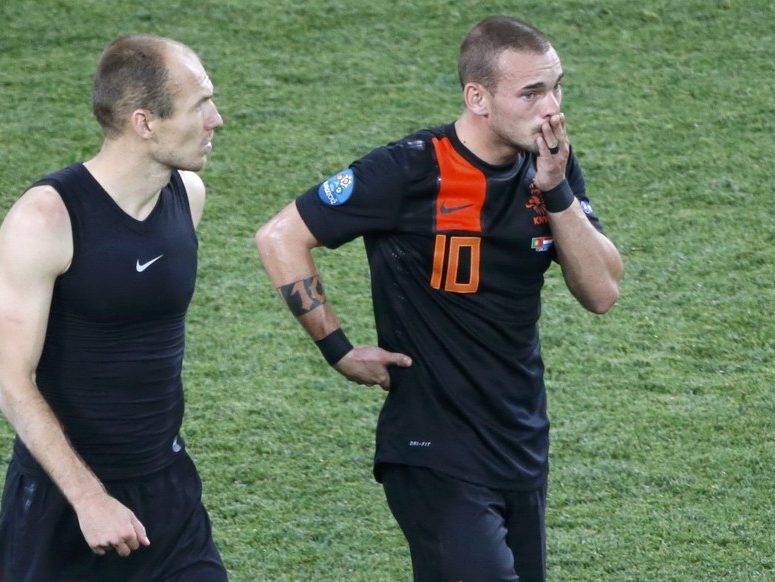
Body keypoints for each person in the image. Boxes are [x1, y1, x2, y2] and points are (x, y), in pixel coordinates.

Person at [255, 15, 623, 582]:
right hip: (433, 446)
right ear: (477, 97)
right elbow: (281, 236)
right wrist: (338, 349)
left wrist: (556, 187)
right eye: (531, 93)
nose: (551, 108)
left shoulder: (550, 165)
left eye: (556, 87)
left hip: (520, 441)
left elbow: (601, 291)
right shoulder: (410, 167)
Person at [0, 34, 226, 581]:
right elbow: (11, 380)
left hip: (168, 491)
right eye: (200, 104)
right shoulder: (46, 218)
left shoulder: (187, 195)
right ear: (146, 123)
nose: (216, 120)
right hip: (62, 503)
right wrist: (89, 498)